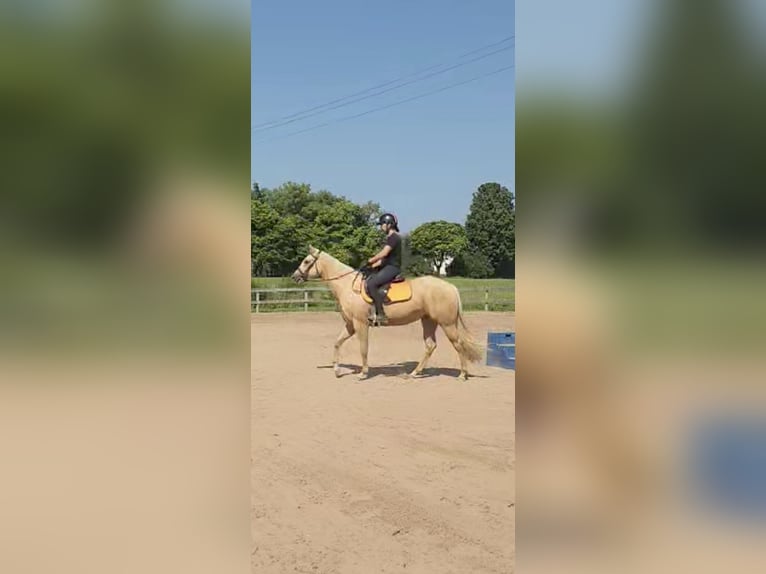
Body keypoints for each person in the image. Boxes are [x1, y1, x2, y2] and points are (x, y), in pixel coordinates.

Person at [366, 212, 402, 325]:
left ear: (389, 224)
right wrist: (371, 266)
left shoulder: (393, 237)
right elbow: (384, 259)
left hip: (392, 268)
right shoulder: (390, 238)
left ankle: (381, 314)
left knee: (372, 284)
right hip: (388, 265)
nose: (381, 227)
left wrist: (372, 259)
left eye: (382, 224)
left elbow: (384, 253)